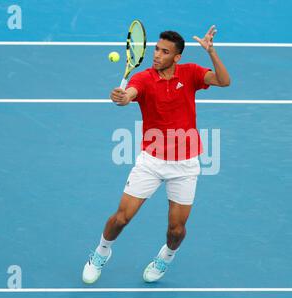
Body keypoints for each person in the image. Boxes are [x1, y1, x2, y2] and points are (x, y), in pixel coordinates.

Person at [83, 25, 230, 284]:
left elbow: (224, 81)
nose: (157, 55)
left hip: (185, 164)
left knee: (176, 229)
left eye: (164, 52)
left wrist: (211, 52)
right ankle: (101, 251)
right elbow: (130, 94)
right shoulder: (143, 78)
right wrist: (122, 97)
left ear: (177, 57)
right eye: (156, 50)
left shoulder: (191, 73)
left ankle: (167, 255)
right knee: (121, 217)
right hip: (151, 161)